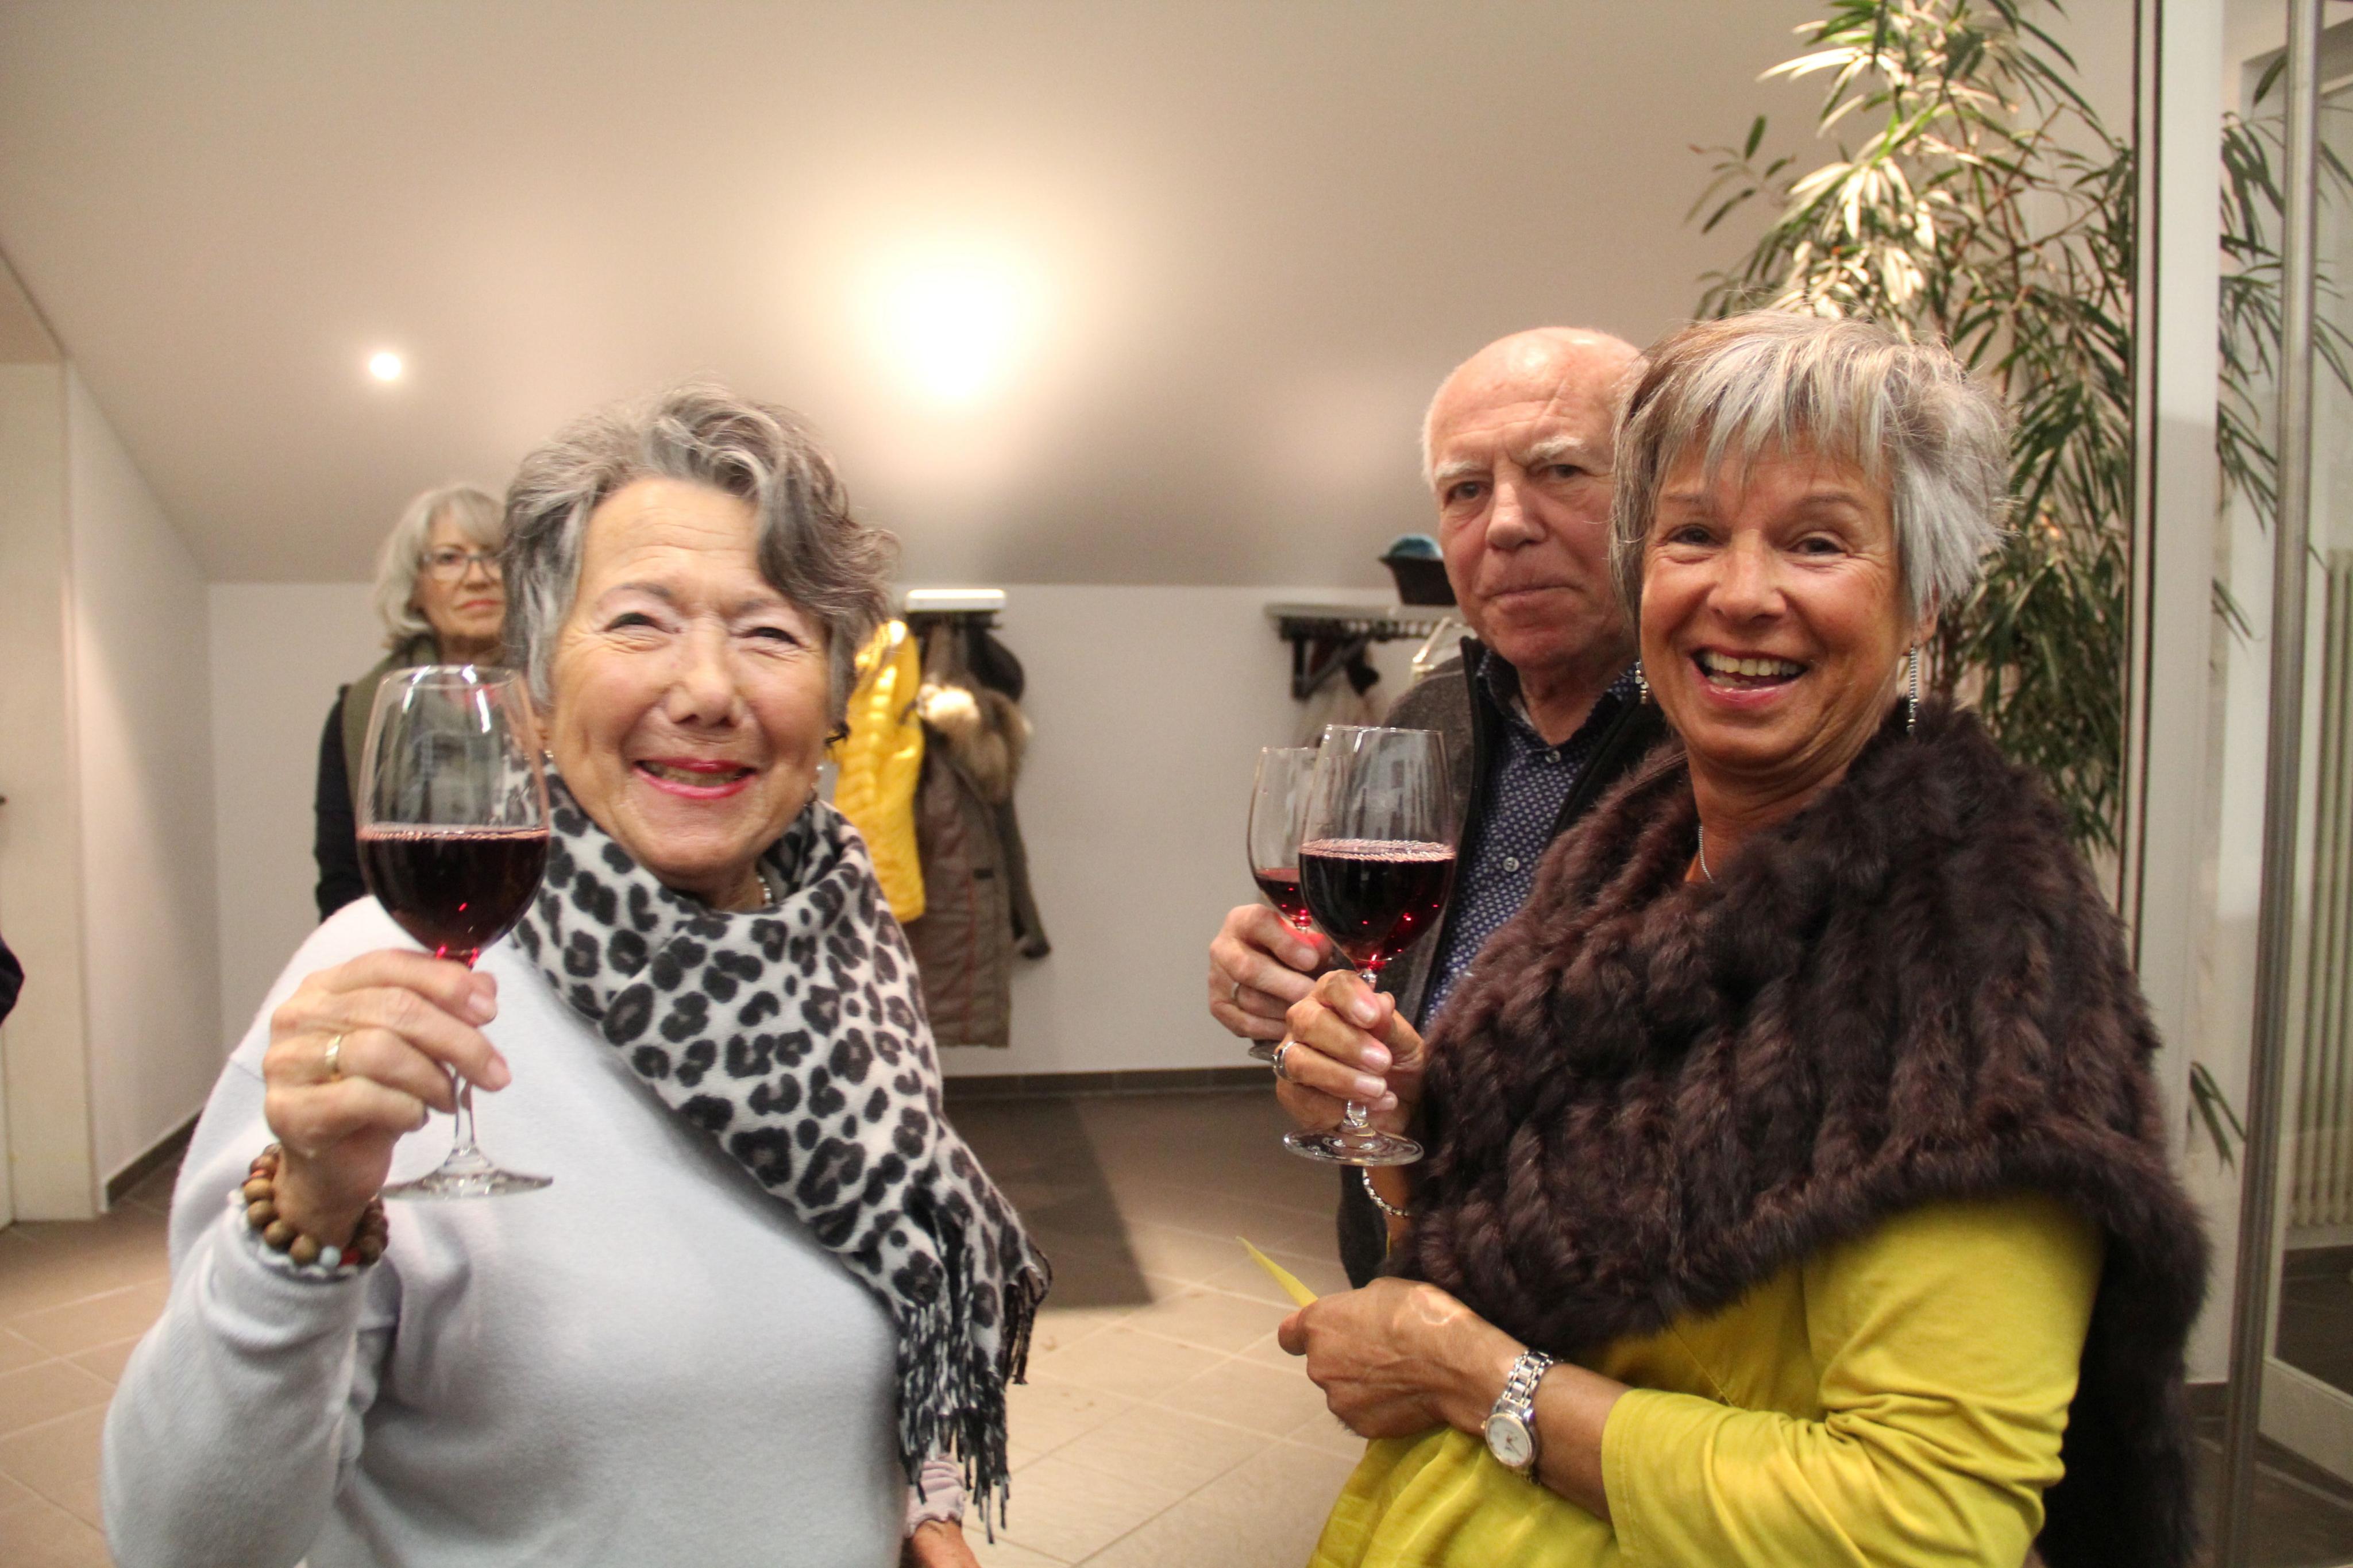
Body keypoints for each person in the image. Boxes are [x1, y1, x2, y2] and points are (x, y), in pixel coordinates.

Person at [1268, 314, 2208, 1567]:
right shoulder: (1629, 862)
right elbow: (1520, 1240)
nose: (1742, 592)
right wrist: (1399, 1114)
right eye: (1694, 535)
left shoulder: (1969, 969)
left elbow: (1922, 1523)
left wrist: (1469, 1376)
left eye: (1816, 542)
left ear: (1922, 600)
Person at [105, 385, 1049, 1568]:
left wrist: (925, 1506)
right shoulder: (383, 982)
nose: (707, 690)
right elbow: (179, 1541)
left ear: (833, 705)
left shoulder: (847, 949)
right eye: (640, 622)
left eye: (768, 633)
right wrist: (302, 1213)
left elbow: (891, 1268)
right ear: (539, 697)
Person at [1206, 327, 1668, 1284]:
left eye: (1560, 471)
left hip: (1610, 1314)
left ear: (1659, 497)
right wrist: (1292, 999)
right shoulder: (1429, 717)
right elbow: (1370, 976)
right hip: (1396, 1262)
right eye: (1465, 490)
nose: (1505, 524)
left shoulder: (1725, 749)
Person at [312, 484, 507, 919]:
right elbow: (342, 880)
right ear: (415, 588)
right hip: (406, 937)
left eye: (495, 555)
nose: (478, 577)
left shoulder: (564, 694)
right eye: (449, 559)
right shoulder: (361, 710)